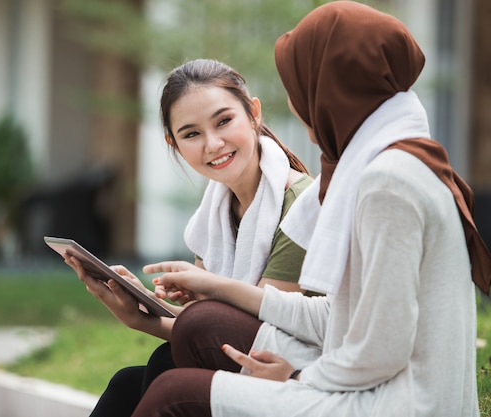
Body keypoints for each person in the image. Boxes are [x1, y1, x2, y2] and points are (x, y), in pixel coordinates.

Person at [133, 2, 491, 416]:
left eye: (299, 86)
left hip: (396, 403)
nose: (293, 105)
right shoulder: (389, 165)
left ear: (333, 90)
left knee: (174, 394)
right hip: (371, 383)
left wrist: (300, 378)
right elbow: (343, 319)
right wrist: (212, 286)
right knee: (188, 340)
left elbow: (384, 349)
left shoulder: (387, 184)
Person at [64, 59, 314, 416]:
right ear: (174, 142)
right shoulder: (215, 213)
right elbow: (206, 328)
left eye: (224, 121)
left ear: (254, 113)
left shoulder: (301, 205)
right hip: (240, 356)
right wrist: (140, 308)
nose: (213, 144)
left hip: (297, 372)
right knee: (125, 385)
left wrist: (204, 288)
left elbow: (260, 329)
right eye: (191, 134)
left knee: (166, 364)